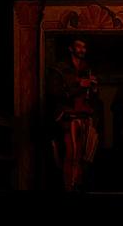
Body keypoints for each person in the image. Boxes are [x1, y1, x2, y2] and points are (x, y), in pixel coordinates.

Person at [46, 37, 102, 191]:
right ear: (71, 48)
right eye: (79, 46)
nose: (82, 50)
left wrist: (94, 89)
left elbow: (94, 98)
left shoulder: (87, 68)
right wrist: (79, 84)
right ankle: (68, 187)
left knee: (84, 158)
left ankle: (77, 186)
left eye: (84, 47)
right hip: (68, 117)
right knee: (70, 155)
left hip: (85, 117)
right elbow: (55, 92)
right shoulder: (60, 68)